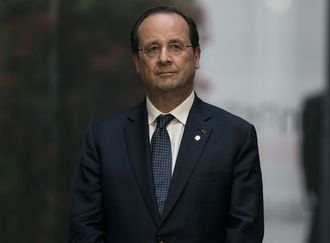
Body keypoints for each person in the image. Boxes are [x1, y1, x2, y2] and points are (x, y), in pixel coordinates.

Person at [69, 5, 264, 243]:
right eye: (152, 49)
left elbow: (245, 232)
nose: (164, 58)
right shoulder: (103, 139)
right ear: (137, 61)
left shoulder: (235, 136)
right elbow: (85, 229)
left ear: (196, 57)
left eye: (175, 46)